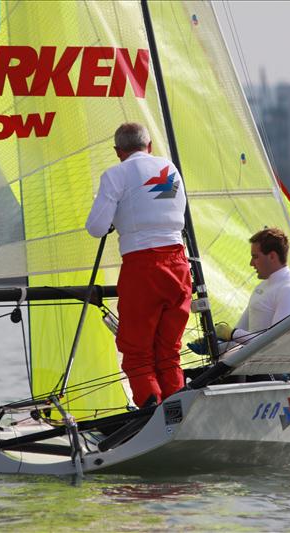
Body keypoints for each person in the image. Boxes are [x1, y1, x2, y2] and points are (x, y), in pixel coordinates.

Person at [86, 123, 191, 408]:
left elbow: (96, 228)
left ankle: (152, 414)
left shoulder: (115, 174)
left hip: (143, 268)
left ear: (118, 151)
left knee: (137, 352)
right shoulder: (169, 168)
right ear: (150, 146)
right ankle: (177, 411)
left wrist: (109, 210)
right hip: (179, 266)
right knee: (169, 351)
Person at [215, 227, 290, 348]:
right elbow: (237, 340)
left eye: (255, 256)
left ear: (272, 256)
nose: (251, 263)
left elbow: (276, 344)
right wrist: (214, 347)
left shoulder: (289, 289)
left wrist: (232, 334)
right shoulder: (263, 287)